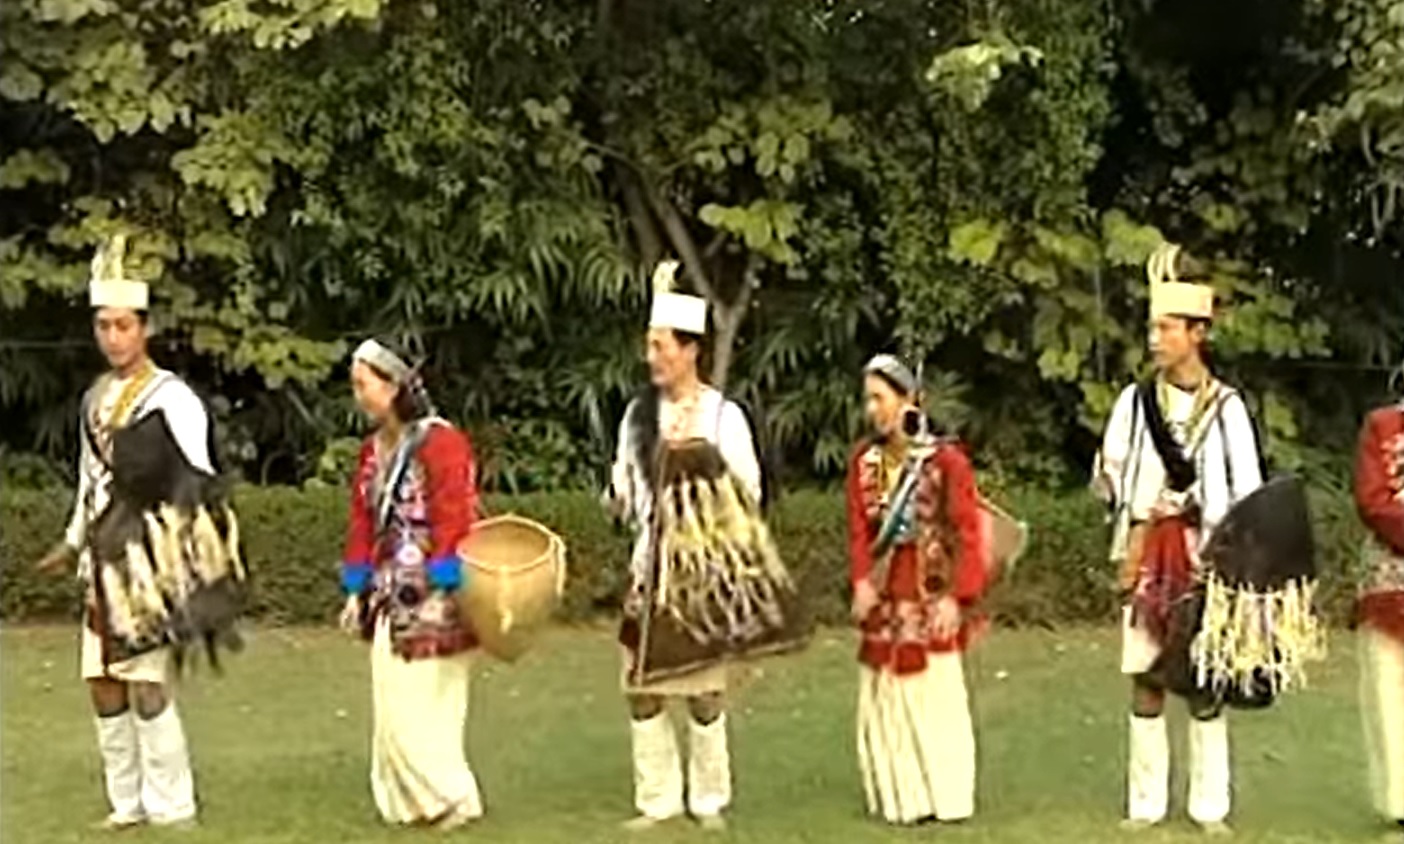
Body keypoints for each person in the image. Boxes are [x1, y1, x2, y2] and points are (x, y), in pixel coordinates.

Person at [35, 234, 243, 830]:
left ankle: (172, 805)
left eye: (123, 325)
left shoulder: (173, 398)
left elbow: (198, 480)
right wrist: (73, 540)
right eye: (103, 326)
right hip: (100, 556)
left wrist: (183, 552)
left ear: (144, 328)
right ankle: (126, 804)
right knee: (102, 683)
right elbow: (87, 479)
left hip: (149, 558)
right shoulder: (95, 397)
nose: (112, 337)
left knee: (147, 685)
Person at [605, 260, 790, 832]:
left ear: (690, 351)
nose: (653, 357)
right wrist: (617, 497)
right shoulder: (638, 415)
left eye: (662, 346)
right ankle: (656, 801)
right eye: (649, 346)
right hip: (648, 570)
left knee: (705, 695)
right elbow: (625, 485)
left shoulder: (723, 415)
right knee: (641, 690)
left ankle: (709, 799)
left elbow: (749, 492)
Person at [1092, 243, 1264, 834]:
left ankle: (1209, 808)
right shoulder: (1134, 403)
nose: (1155, 339)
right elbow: (1111, 470)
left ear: (1196, 333)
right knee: (1145, 679)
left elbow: (1250, 492)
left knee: (1205, 683)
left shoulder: (1230, 409)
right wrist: (1114, 490)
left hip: (1206, 562)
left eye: (1166, 328)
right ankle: (1144, 805)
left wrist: (1202, 511)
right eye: (1153, 328)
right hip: (1148, 561)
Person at [338, 338, 482, 829]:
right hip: (387, 591)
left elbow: (454, 511)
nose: (357, 394)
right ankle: (414, 802)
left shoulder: (441, 443)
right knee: (392, 700)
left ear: (394, 384)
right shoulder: (371, 452)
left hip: (439, 590)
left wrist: (446, 578)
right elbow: (362, 523)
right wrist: (355, 587)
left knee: (431, 699)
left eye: (364, 383)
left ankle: (452, 797)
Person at [845, 354, 987, 825]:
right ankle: (901, 797)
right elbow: (859, 532)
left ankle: (946, 797)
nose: (873, 410)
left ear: (909, 401)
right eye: (868, 399)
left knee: (935, 692)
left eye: (880, 398)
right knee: (885, 691)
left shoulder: (946, 461)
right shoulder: (864, 464)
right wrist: (862, 581)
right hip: (887, 586)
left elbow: (968, 532)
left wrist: (956, 597)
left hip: (930, 585)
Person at [1355, 388, 1404, 831]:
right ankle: (1399, 801)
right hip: (1390, 577)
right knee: (1389, 688)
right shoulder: (1383, 425)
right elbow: (1372, 499)